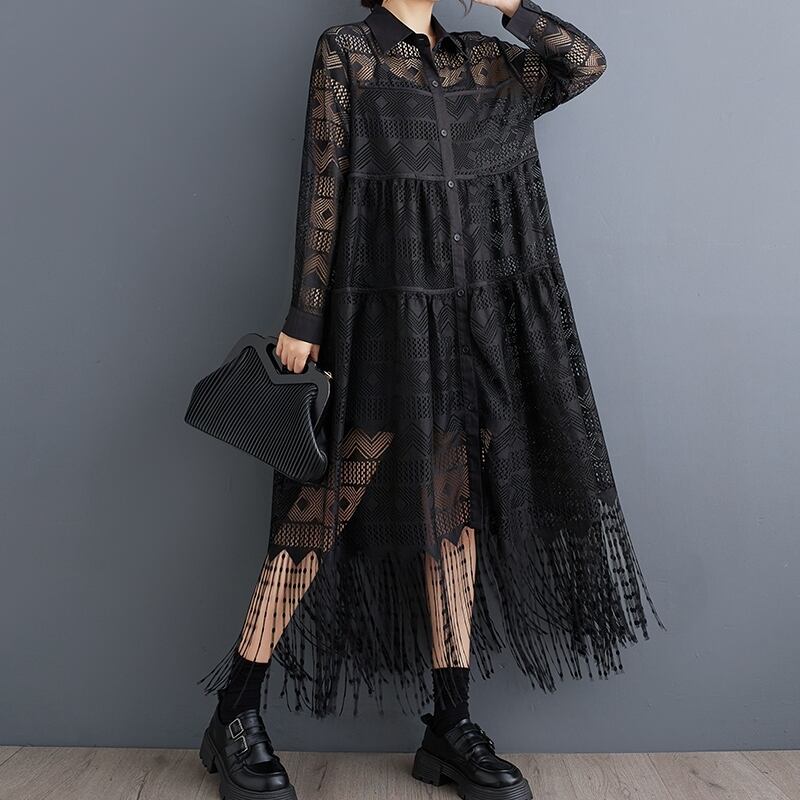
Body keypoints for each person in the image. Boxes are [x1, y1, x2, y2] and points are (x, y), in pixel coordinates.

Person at [197, 2, 665, 799]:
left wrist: (514, 6)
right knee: (326, 504)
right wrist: (305, 317)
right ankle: (235, 708)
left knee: (458, 512)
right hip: (384, 320)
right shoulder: (349, 52)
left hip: (478, 325)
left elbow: (583, 63)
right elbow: (324, 181)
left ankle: (449, 724)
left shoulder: (485, 60)